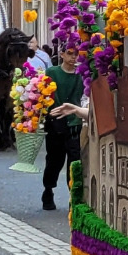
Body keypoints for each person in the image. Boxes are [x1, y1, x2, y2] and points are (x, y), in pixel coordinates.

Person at [39, 41, 86, 212]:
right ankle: (48, 189)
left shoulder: (81, 74)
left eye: (76, 54)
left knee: (75, 161)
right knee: (54, 160)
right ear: (62, 54)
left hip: (75, 122)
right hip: (56, 120)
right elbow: (44, 93)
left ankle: (73, 196)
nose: (74, 57)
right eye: (70, 53)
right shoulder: (52, 72)